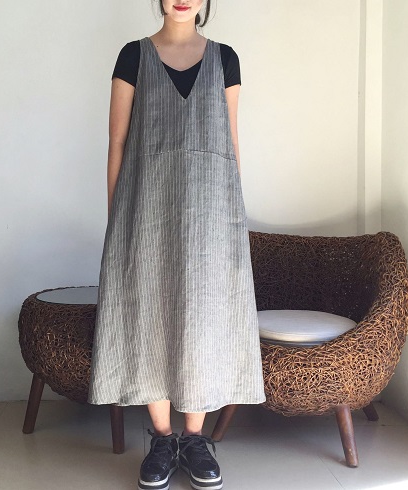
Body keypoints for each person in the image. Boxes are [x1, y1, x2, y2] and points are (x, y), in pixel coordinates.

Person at [87, 1, 265, 489]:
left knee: (202, 317)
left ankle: (194, 438)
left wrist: (232, 217)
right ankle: (163, 438)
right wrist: (117, 219)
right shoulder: (133, 56)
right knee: (150, 313)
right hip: (144, 211)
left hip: (211, 217)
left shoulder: (226, 59)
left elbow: (230, 143)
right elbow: (117, 143)